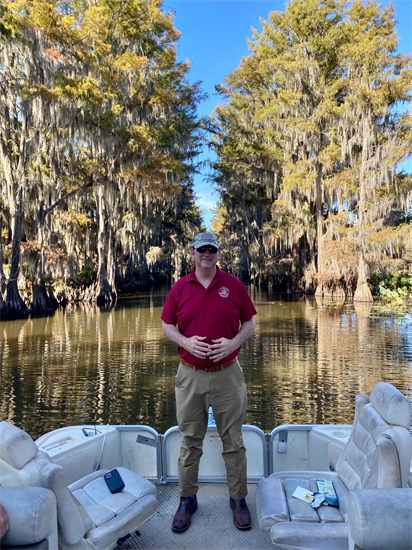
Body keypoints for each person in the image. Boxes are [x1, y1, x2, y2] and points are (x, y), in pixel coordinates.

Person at [161, 232, 257, 533]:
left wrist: (232, 344)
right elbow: (167, 325)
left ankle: (238, 500)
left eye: (211, 249)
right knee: (190, 442)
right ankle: (187, 500)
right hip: (189, 374)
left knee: (234, 441)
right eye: (201, 249)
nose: (206, 253)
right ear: (192, 253)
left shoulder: (233, 285)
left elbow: (250, 323)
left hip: (228, 373)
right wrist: (185, 342)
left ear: (218, 254)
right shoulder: (180, 288)